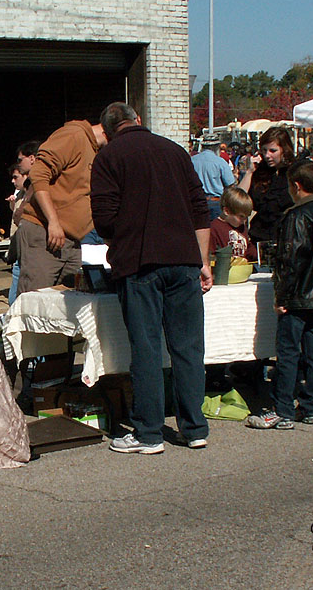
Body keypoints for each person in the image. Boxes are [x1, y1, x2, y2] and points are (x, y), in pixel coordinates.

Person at [91, 102, 211, 454]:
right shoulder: (175, 151)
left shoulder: (109, 157)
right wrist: (202, 260)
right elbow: (200, 209)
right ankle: (195, 428)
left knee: (146, 348)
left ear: (110, 131)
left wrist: (127, 234)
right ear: (138, 120)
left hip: (140, 263)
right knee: (188, 347)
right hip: (184, 260)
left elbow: (104, 220)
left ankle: (149, 433)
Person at [246, 161, 313, 429]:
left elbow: (289, 261)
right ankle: (311, 406)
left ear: (296, 186)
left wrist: (281, 297)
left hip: (299, 294)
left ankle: (283, 409)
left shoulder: (297, 216)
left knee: (288, 352)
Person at [16, 117, 108, 296]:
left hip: (73, 241)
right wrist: (54, 222)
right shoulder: (73, 135)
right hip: (46, 233)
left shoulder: (97, 152)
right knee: (36, 300)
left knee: (68, 302)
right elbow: (39, 174)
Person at [239, 127, 313, 244]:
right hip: (259, 238)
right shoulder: (260, 172)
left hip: (290, 239)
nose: (267, 155)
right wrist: (249, 172)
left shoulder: (300, 170)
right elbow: (238, 200)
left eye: (273, 151)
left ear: (284, 149)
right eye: (264, 150)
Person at [209, 186, 257, 260]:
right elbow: (210, 254)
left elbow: (248, 247)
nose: (244, 220)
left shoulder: (241, 227)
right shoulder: (214, 228)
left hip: (242, 268)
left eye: (246, 217)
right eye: (241, 216)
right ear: (227, 211)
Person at [191, 140, 236, 220]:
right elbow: (230, 185)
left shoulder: (192, 160)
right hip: (216, 202)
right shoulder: (220, 162)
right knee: (215, 230)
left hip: (196, 201)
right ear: (217, 148)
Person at [6, 163, 29, 305]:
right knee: (13, 299)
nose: (13, 181)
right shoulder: (19, 195)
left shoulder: (32, 194)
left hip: (27, 250)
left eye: (16, 177)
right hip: (18, 248)